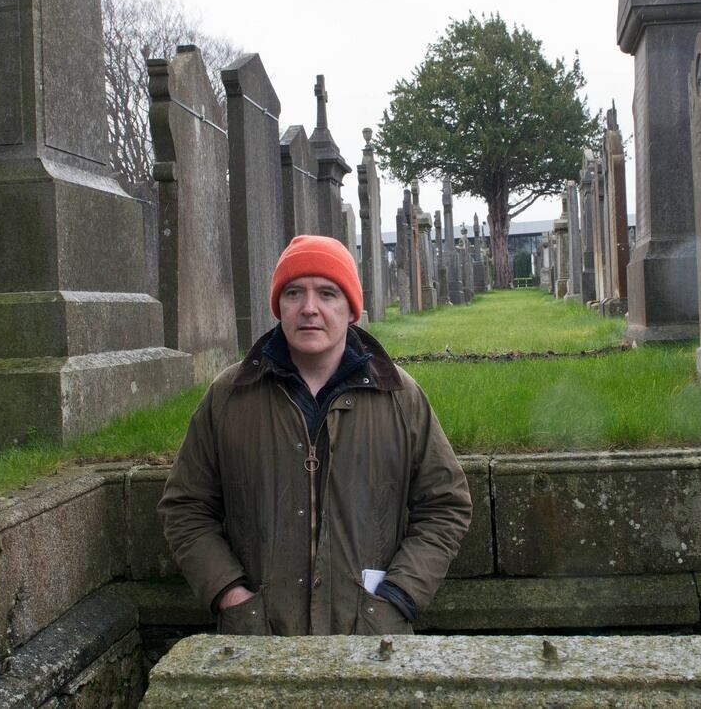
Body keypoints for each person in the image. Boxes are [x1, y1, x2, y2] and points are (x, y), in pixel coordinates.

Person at [157, 234, 472, 635]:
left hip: (371, 639)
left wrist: (398, 596)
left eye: (327, 293)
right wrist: (230, 594)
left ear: (351, 309)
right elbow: (185, 507)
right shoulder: (229, 397)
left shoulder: (399, 397)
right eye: (293, 293)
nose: (309, 308)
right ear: (279, 306)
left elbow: (446, 505)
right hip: (259, 641)